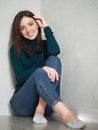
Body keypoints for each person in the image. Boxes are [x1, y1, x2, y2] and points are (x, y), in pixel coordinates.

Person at [9, 10, 86, 129]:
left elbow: (55, 51)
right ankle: (65, 113)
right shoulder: (15, 49)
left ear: (37, 24)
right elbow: (20, 77)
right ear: (19, 32)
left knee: (55, 59)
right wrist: (42, 68)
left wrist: (46, 27)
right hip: (22, 104)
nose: (28, 30)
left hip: (47, 108)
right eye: (22, 28)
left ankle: (40, 108)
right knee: (40, 71)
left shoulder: (45, 45)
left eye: (31, 24)